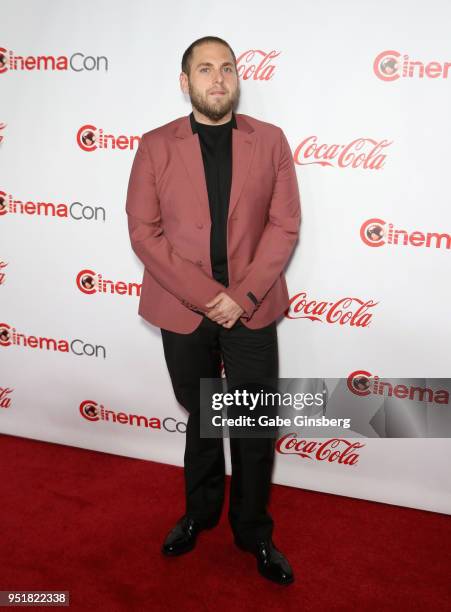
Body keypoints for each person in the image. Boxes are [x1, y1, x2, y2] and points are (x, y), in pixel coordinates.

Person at [126, 35, 301, 585]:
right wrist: (208, 298)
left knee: (250, 422)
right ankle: (198, 515)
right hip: (184, 307)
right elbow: (144, 234)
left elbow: (284, 225)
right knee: (202, 414)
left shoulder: (270, 141)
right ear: (187, 83)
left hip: (252, 304)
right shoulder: (155, 146)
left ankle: (254, 533)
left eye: (227, 68)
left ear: (237, 79)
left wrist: (241, 296)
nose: (218, 78)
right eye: (205, 69)